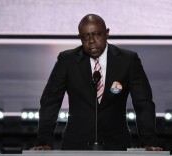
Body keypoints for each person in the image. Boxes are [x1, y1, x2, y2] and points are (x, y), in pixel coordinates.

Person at [31, 14, 162, 151]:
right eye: (85, 37)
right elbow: (50, 102)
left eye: (96, 35)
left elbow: (143, 104)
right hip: (75, 146)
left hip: (117, 145)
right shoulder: (67, 61)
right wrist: (44, 141)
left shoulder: (128, 60)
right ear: (80, 38)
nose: (91, 41)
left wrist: (149, 142)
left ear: (107, 33)